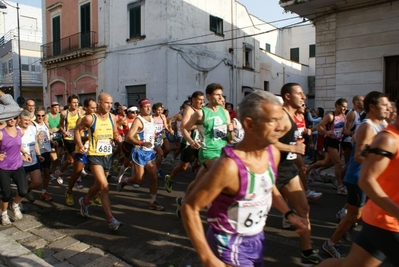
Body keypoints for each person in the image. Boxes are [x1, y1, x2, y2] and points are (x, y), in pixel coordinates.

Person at [181, 90, 308, 267]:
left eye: (280, 119)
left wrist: (289, 213)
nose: (280, 127)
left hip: (256, 240)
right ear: (249, 125)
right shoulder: (229, 166)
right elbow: (190, 207)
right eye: (272, 121)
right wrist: (207, 258)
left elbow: (267, 186)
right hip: (228, 244)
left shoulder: (273, 153)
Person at [318, 97, 399, 267]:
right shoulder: (374, 130)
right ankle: (331, 243)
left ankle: (332, 240)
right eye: (384, 105)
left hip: (380, 212)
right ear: (372, 107)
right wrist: (375, 158)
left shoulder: (383, 128)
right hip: (357, 180)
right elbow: (360, 160)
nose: (388, 108)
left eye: (389, 105)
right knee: (354, 216)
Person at [274, 83, 323, 266]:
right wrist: (292, 147)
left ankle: (307, 252)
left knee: (303, 209)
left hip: (288, 169)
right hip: (271, 172)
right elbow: (265, 141)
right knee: (253, 214)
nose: (303, 97)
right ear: (287, 96)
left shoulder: (295, 116)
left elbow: (292, 146)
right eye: (299, 93)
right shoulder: (280, 116)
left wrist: (298, 160)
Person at [176, 83, 234, 217]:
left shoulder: (225, 112)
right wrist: (191, 142)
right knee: (221, 175)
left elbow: (230, 139)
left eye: (222, 95)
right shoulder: (201, 113)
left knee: (198, 181)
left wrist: (231, 130)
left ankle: (183, 202)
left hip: (223, 151)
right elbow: (184, 128)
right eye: (217, 95)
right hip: (208, 151)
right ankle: (216, 211)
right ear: (209, 96)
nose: (221, 97)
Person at [76, 93, 123, 230]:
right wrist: (80, 146)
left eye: (111, 103)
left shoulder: (112, 117)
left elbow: (115, 132)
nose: (109, 105)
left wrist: (118, 138)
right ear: (99, 103)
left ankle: (84, 202)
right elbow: (77, 131)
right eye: (106, 102)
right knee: (104, 186)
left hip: (107, 155)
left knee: (97, 184)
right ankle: (111, 219)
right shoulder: (90, 118)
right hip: (94, 155)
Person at [118, 98, 164, 211]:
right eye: (145, 107)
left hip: (149, 152)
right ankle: (125, 180)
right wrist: (142, 142)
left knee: (154, 176)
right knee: (139, 180)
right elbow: (129, 137)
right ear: (140, 108)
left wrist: (156, 138)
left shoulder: (152, 119)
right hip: (139, 152)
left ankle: (152, 202)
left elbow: (150, 133)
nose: (148, 108)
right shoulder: (138, 121)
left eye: (149, 106)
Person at [164, 92, 205, 193]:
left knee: (205, 164)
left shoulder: (204, 110)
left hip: (201, 141)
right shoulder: (189, 110)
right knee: (183, 167)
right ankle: (170, 178)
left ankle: (200, 187)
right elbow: (184, 126)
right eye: (199, 99)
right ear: (193, 99)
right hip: (189, 141)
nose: (202, 102)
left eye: (203, 100)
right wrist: (200, 125)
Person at [307, 98, 348, 195]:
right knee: (338, 162)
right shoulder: (330, 116)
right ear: (337, 105)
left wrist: (352, 133)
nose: (344, 109)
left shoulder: (344, 116)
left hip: (337, 141)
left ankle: (310, 169)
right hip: (329, 141)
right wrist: (326, 132)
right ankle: (340, 185)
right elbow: (319, 126)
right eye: (342, 107)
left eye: (346, 107)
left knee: (327, 162)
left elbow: (344, 130)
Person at [0, 113, 32, 225]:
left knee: (23, 191)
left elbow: (18, 144)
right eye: (9, 118)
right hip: (3, 168)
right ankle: (4, 214)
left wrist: (24, 153)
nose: (12, 120)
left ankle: (15, 205)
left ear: (17, 119)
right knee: (6, 194)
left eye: (14, 118)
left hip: (17, 165)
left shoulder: (20, 132)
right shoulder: (1, 133)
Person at [65, 98, 97, 206]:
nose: (94, 109)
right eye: (92, 108)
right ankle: (69, 191)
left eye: (95, 107)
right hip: (82, 150)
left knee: (97, 175)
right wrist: (86, 139)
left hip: (94, 151)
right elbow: (75, 137)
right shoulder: (81, 119)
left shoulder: (97, 119)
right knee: (76, 173)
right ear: (86, 108)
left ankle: (95, 195)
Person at [34, 107, 57, 201]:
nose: (40, 117)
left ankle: (44, 192)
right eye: (38, 115)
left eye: (42, 115)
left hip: (46, 151)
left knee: (47, 173)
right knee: (36, 177)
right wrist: (36, 138)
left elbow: (48, 136)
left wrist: (52, 141)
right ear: (35, 115)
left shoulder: (45, 124)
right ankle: (25, 191)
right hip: (36, 152)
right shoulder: (32, 125)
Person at [56, 94, 81, 183]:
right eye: (74, 103)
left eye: (77, 102)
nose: (76, 104)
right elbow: (60, 125)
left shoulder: (81, 112)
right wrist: (64, 132)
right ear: (69, 103)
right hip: (68, 139)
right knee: (77, 158)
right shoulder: (64, 113)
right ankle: (77, 178)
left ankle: (60, 172)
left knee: (70, 160)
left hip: (78, 138)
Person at [45, 102, 63, 177]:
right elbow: (46, 124)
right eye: (55, 107)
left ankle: (51, 171)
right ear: (51, 108)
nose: (56, 109)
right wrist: (50, 130)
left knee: (58, 158)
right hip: (51, 139)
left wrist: (58, 129)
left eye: (58, 108)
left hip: (59, 138)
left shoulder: (61, 115)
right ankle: (47, 171)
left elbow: (63, 125)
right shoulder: (47, 116)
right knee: (53, 157)